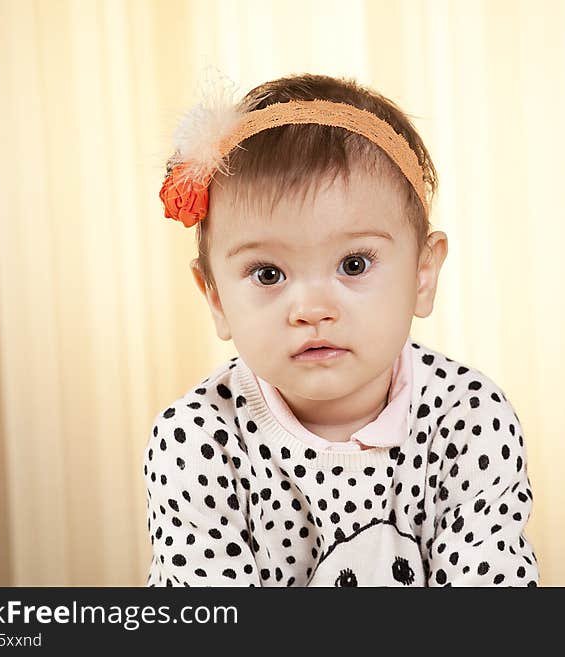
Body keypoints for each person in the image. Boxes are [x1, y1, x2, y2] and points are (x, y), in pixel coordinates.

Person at [144, 73, 539, 586]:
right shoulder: (196, 440)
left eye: (353, 264)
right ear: (216, 297)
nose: (311, 309)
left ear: (423, 274)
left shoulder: (469, 417)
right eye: (268, 274)